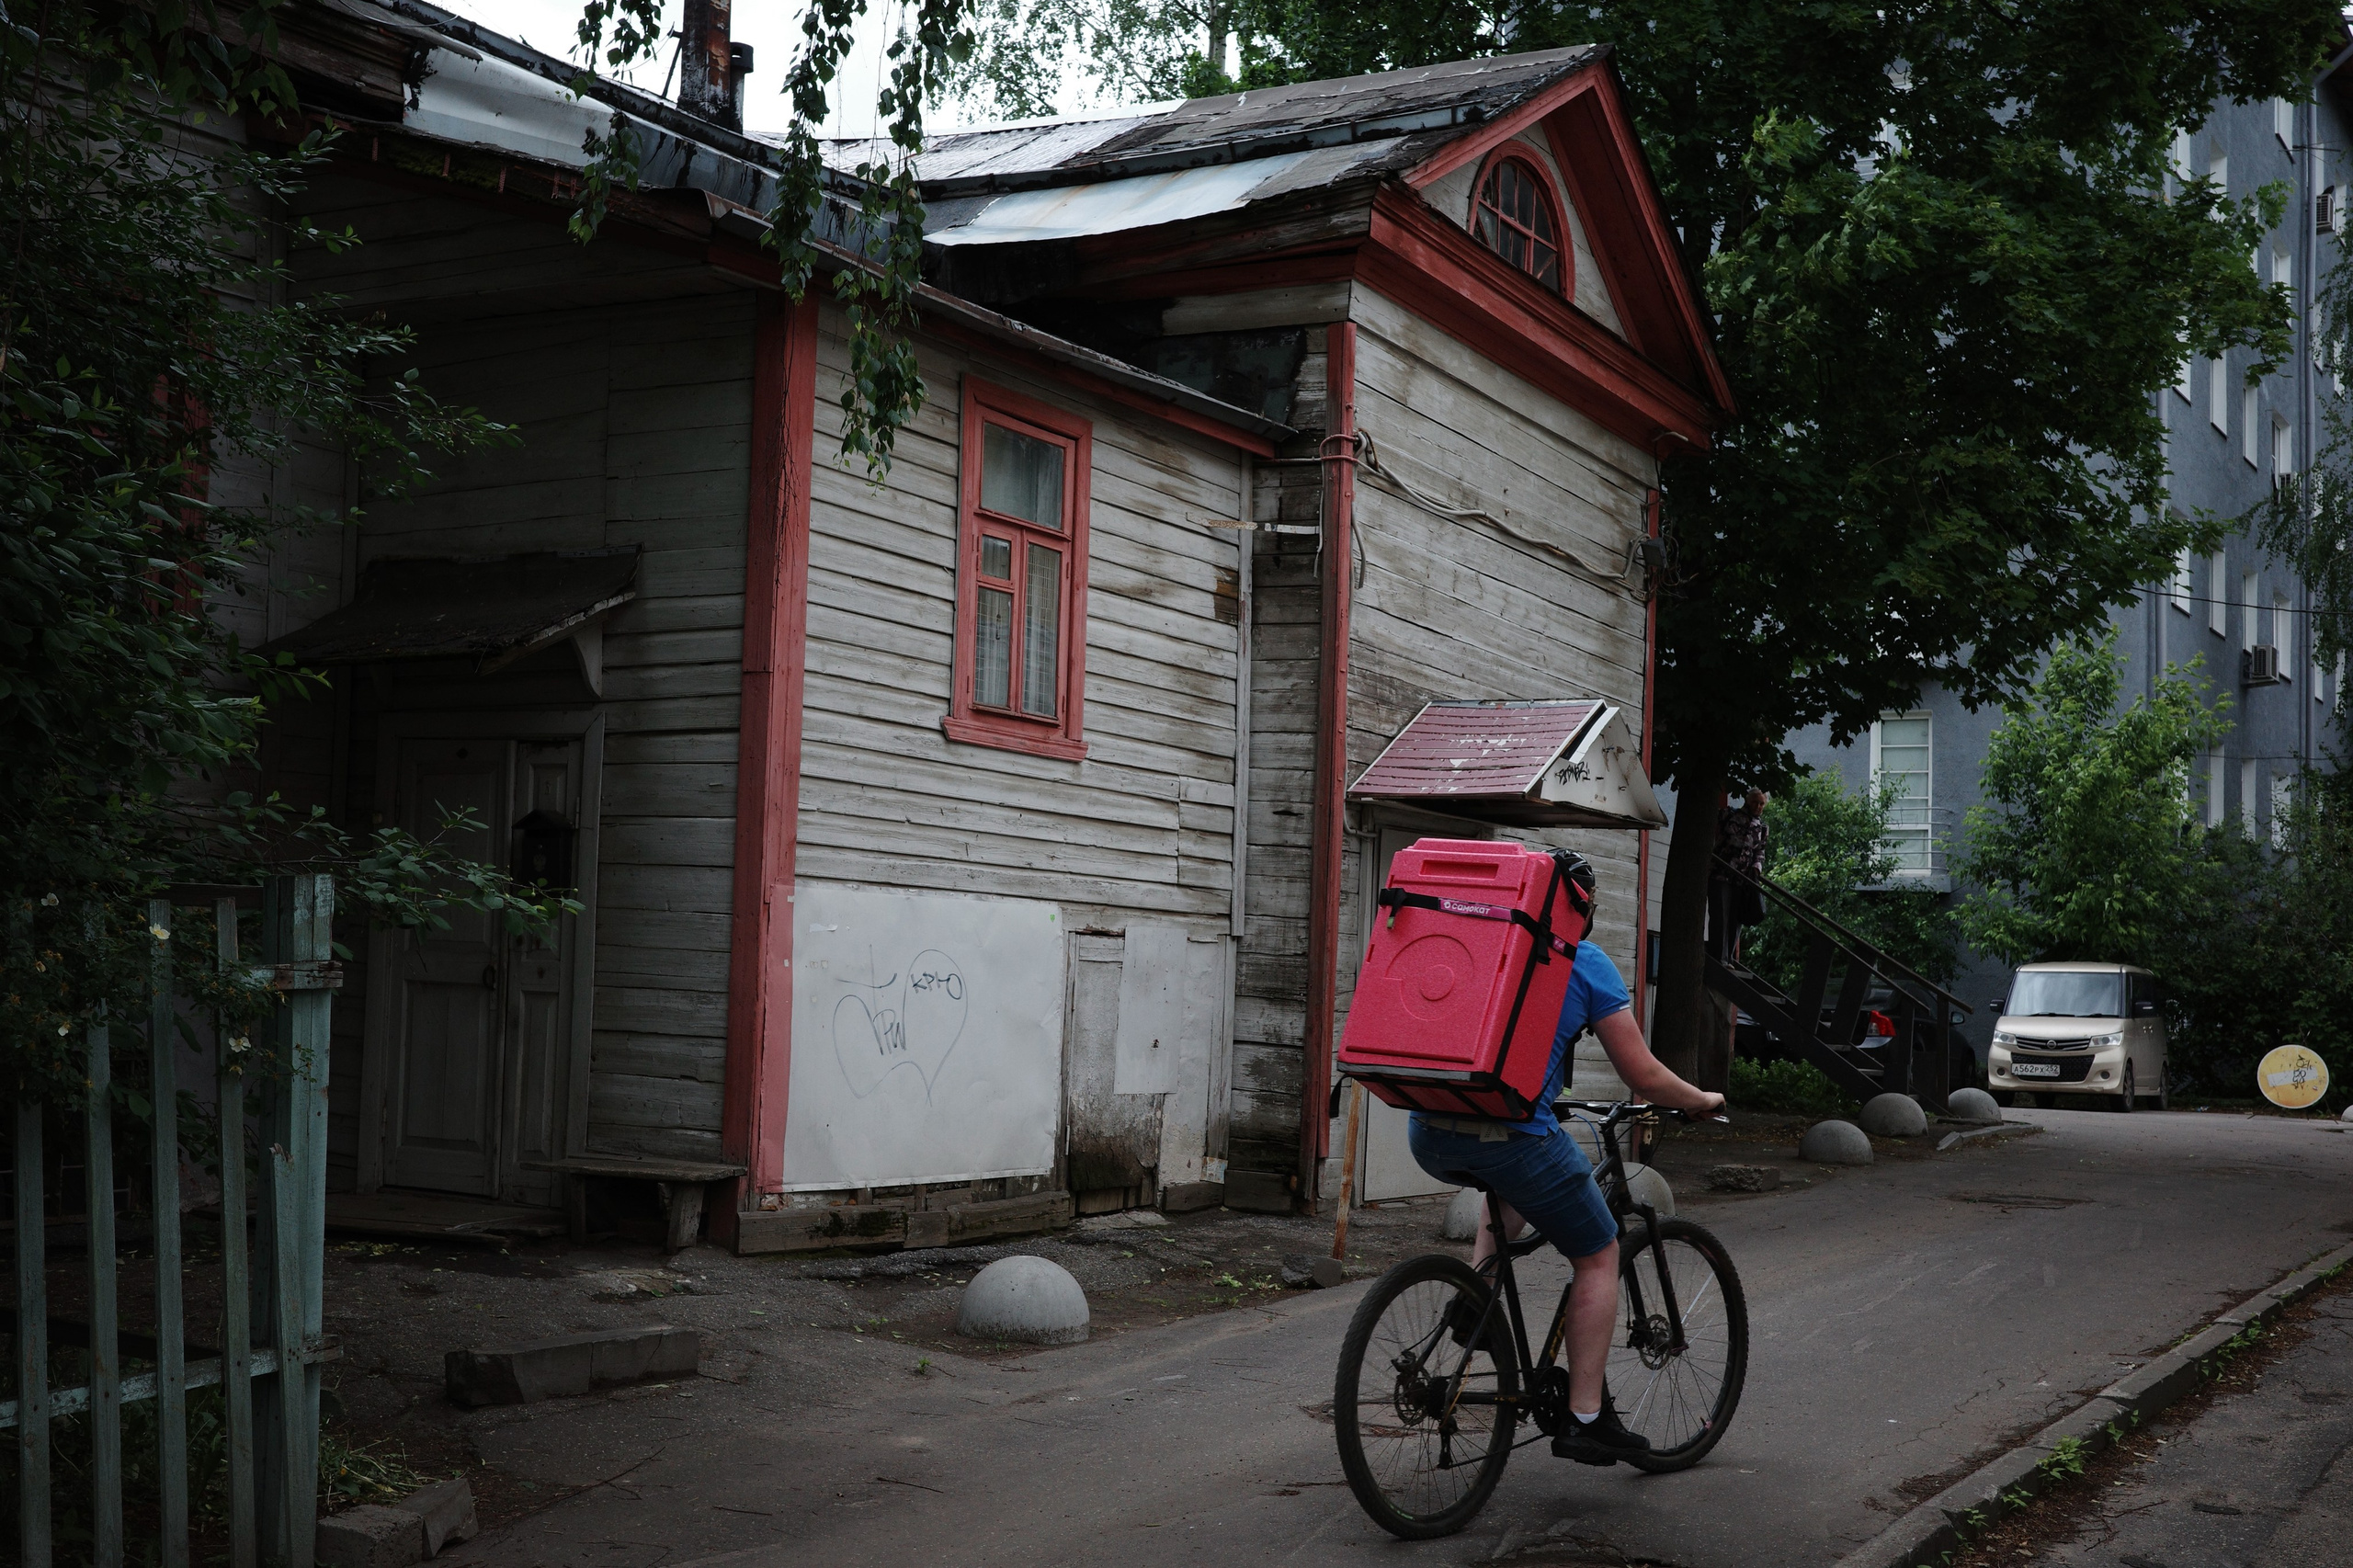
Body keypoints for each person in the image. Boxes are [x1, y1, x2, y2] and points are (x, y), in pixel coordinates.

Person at [1405, 851, 1724, 1466]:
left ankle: (1476, 1300)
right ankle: (1585, 1418)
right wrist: (1699, 1099)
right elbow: (1643, 1074)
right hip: (1509, 1133)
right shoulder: (1583, 961)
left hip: (1430, 1129)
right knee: (1600, 1252)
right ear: (1580, 910)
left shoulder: (1481, 937)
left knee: (1508, 1195)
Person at [1709, 787, 1769, 959]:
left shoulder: (1762, 828)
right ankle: (1718, 957)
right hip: (1720, 873)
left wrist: (1757, 866)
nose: (1758, 806)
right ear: (1747, 801)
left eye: (1761, 804)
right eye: (1755, 802)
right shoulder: (1729, 815)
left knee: (1736, 919)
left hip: (1742, 880)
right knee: (1720, 916)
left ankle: (1727, 958)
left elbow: (1760, 852)